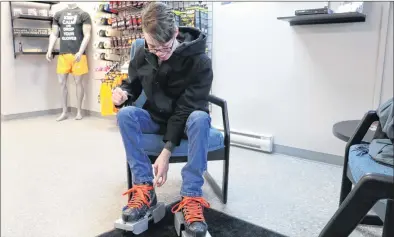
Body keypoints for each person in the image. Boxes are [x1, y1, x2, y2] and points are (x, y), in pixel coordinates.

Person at [112, 2, 213, 236]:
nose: (159, 54)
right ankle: (144, 188)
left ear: (176, 33)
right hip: (156, 116)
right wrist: (124, 93)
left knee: (200, 118)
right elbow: (133, 84)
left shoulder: (200, 62)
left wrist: (166, 151)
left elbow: (185, 109)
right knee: (126, 114)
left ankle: (191, 197)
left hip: (186, 119)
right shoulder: (143, 52)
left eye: (165, 48)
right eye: (152, 47)